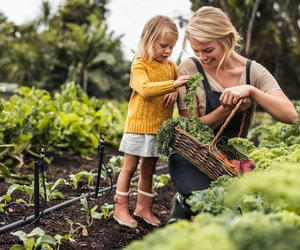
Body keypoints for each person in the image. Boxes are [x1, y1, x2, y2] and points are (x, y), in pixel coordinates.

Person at [168, 6, 298, 222]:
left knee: (241, 209)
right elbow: (189, 129)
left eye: (208, 50)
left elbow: (290, 115)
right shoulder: (190, 69)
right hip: (193, 156)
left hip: (232, 161)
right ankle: (184, 201)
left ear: (227, 39)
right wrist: (225, 109)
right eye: (196, 50)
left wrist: (252, 91)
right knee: (210, 205)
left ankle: (185, 203)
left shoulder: (252, 72)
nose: (202, 57)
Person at [113, 15, 190, 229]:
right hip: (138, 126)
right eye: (163, 46)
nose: (167, 51)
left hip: (159, 128)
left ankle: (143, 208)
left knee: (149, 170)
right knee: (129, 167)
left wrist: (175, 90)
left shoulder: (171, 66)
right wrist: (172, 85)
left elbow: (177, 89)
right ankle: (120, 209)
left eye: (171, 47)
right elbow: (146, 89)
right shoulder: (140, 65)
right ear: (148, 40)